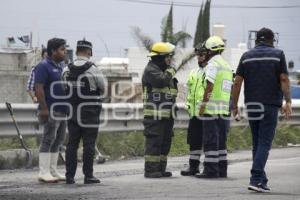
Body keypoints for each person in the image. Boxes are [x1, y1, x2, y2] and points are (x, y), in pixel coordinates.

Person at [232, 27, 292, 192]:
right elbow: (284, 78)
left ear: (257, 40)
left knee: (257, 143)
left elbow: (237, 82)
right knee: (264, 143)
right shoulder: (278, 54)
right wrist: (287, 101)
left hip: (252, 105)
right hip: (270, 104)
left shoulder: (246, 56)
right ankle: (256, 179)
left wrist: (234, 106)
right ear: (272, 40)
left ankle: (261, 180)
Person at [62, 39, 107, 184]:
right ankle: (88, 176)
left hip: (72, 110)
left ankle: (69, 176)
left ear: (76, 51)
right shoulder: (93, 69)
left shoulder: (66, 69)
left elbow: (64, 88)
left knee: (71, 144)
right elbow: (103, 88)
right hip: (89, 111)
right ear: (89, 51)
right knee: (89, 143)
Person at [196, 36, 233, 179]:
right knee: (221, 141)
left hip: (211, 108)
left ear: (210, 50)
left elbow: (210, 85)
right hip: (223, 109)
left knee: (210, 140)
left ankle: (210, 171)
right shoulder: (226, 65)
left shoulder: (212, 64)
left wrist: (203, 105)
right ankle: (222, 170)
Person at [142, 42, 178, 178]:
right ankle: (151, 170)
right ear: (160, 57)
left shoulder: (163, 71)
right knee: (154, 143)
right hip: (154, 115)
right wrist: (171, 71)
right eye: (168, 57)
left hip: (166, 115)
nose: (170, 60)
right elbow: (161, 81)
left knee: (165, 143)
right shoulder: (151, 70)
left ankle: (161, 169)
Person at [35, 38, 68, 183]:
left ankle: (53, 170)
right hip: (50, 109)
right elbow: (39, 88)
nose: (65, 51)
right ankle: (43, 171)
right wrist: (43, 108)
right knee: (48, 139)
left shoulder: (61, 66)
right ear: (53, 51)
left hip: (62, 109)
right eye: (62, 49)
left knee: (59, 139)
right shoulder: (43, 66)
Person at [181, 44, 207, 176]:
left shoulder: (212, 71)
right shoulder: (194, 72)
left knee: (208, 141)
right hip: (194, 114)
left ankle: (209, 167)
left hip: (208, 113)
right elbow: (190, 92)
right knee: (194, 140)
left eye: (201, 55)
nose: (199, 58)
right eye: (198, 55)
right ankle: (193, 166)